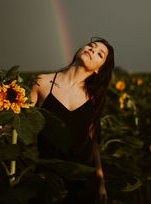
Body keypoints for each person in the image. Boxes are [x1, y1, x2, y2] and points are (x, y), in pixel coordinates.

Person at [30, 37, 115, 204]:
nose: (92, 50)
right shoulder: (42, 82)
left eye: (100, 54)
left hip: (82, 181)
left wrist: (101, 180)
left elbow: (92, 141)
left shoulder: (94, 98)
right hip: (48, 178)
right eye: (91, 46)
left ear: (99, 69)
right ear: (79, 50)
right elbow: (16, 120)